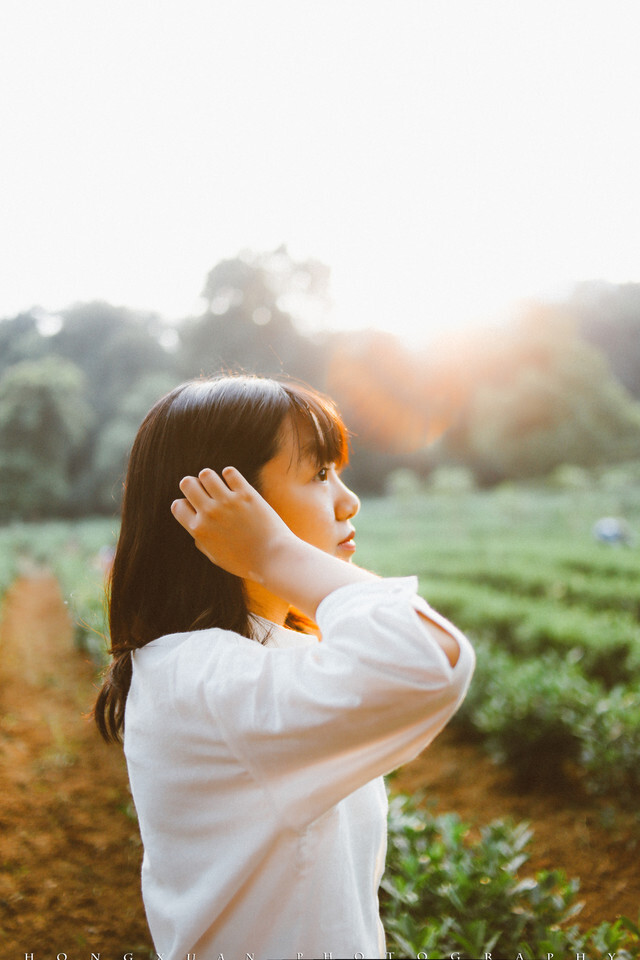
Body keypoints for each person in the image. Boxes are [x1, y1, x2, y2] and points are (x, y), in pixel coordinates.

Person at [94, 375, 475, 960]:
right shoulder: (195, 676)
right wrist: (272, 553)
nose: (349, 501)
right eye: (320, 475)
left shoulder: (267, 655)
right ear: (222, 506)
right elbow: (432, 657)